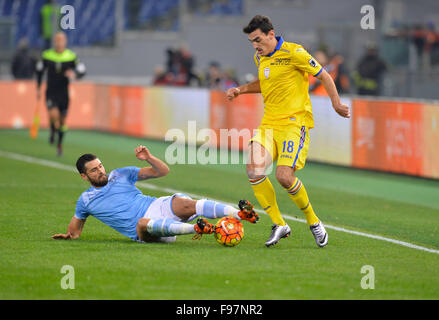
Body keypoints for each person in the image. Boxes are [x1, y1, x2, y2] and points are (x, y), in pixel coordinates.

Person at [226, 15, 350, 248]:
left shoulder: (295, 53)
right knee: (254, 169)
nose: (255, 45)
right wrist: (240, 90)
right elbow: (264, 83)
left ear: (271, 34)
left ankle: (313, 221)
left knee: (284, 176)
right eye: (252, 41)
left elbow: (323, 74)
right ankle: (279, 224)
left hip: (294, 123)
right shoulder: (260, 57)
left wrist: (336, 103)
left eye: (258, 40)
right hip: (269, 123)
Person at [52, 145, 259, 243]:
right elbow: (75, 231)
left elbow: (163, 172)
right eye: (94, 170)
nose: (101, 171)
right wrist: (68, 236)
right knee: (142, 222)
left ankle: (238, 214)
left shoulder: (121, 174)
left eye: (100, 166)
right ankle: (197, 228)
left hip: (156, 206)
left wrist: (149, 158)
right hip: (144, 230)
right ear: (84, 176)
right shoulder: (85, 201)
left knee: (183, 202)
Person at [36, 32, 86, 156]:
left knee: (63, 122)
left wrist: (75, 75)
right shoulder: (47, 55)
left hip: (63, 93)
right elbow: (39, 71)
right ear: (54, 42)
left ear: (65, 42)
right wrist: (38, 88)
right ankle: (53, 129)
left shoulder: (71, 56)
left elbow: (81, 69)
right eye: (57, 40)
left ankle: (59, 145)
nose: (59, 43)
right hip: (51, 92)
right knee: (54, 115)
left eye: (61, 40)